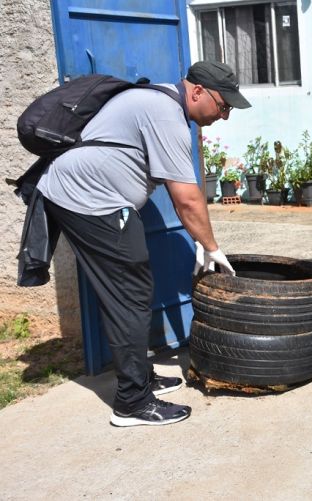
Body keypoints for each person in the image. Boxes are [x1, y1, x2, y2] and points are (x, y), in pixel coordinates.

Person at [34, 61, 250, 427]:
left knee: (133, 288)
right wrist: (211, 247)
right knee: (128, 295)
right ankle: (132, 402)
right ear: (197, 91)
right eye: (223, 105)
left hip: (92, 199)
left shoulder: (161, 105)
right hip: (90, 202)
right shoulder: (165, 114)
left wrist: (200, 241)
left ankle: (141, 377)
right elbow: (187, 199)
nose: (224, 116)